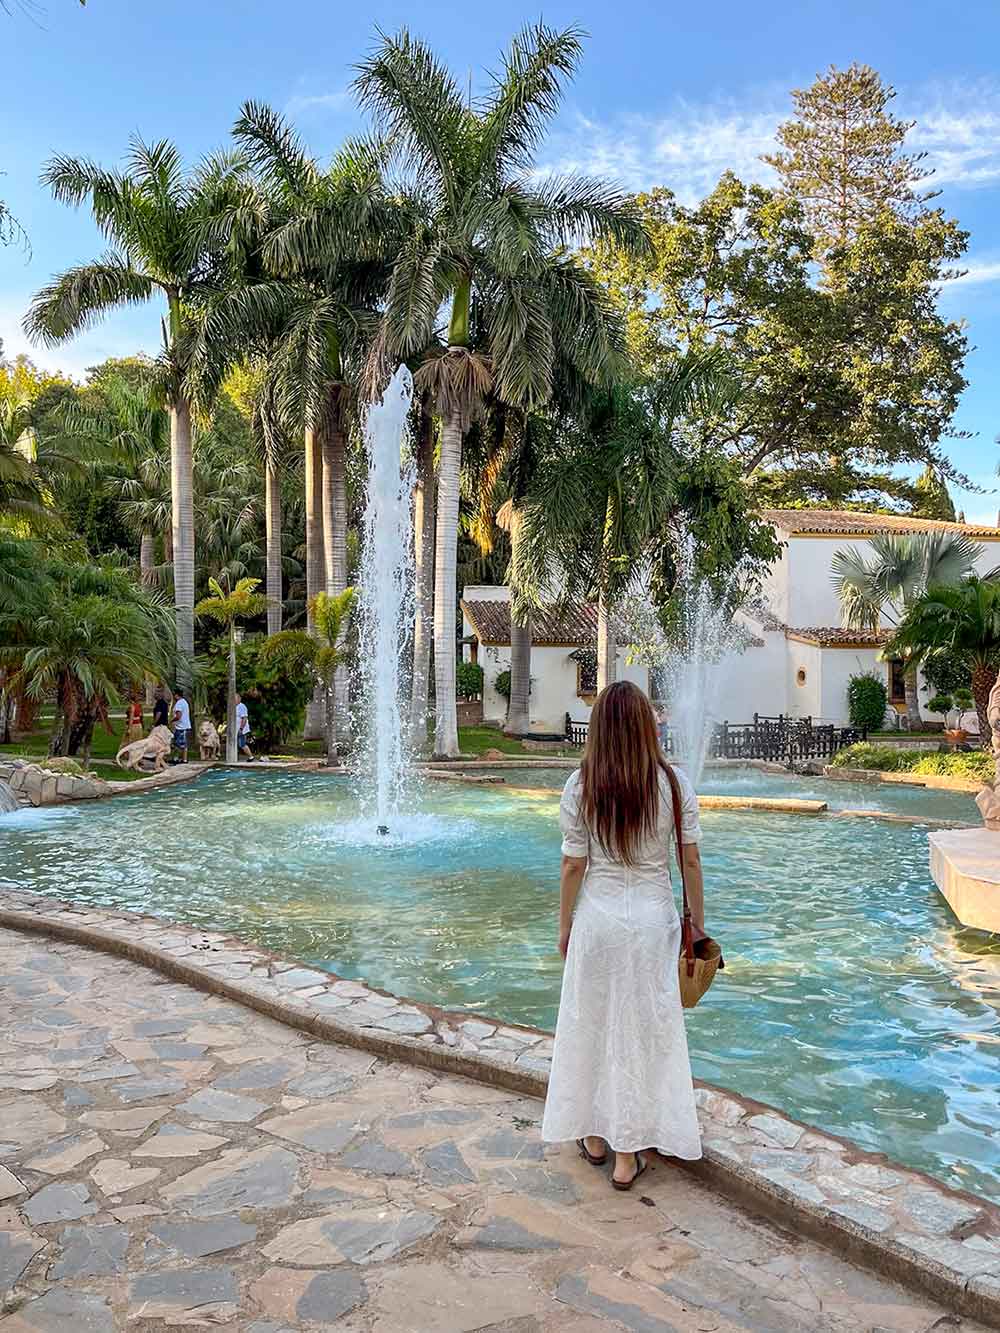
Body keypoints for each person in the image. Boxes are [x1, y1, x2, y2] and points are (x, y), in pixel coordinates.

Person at [541, 679, 705, 1189]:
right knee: (644, 1030)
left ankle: (592, 1134)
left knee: (590, 1022)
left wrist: (565, 925)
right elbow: (690, 860)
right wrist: (696, 924)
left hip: (598, 920)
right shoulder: (672, 785)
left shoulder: (580, 785)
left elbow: (574, 865)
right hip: (654, 922)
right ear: (644, 727)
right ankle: (629, 1153)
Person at [171, 688, 191, 764]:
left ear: (176, 695)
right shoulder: (184, 702)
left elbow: (178, 716)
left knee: (179, 744)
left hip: (181, 726)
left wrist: (172, 720)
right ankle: (181, 758)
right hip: (184, 726)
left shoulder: (179, 703)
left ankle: (179, 759)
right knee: (182, 744)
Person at [235, 693, 254, 761]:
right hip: (235, 729)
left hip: (241, 729)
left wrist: (241, 728)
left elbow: (244, 718)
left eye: (235, 698)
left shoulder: (242, 706)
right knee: (236, 743)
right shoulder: (233, 707)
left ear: (239, 699)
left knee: (242, 744)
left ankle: (251, 757)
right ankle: (235, 757)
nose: (234, 700)